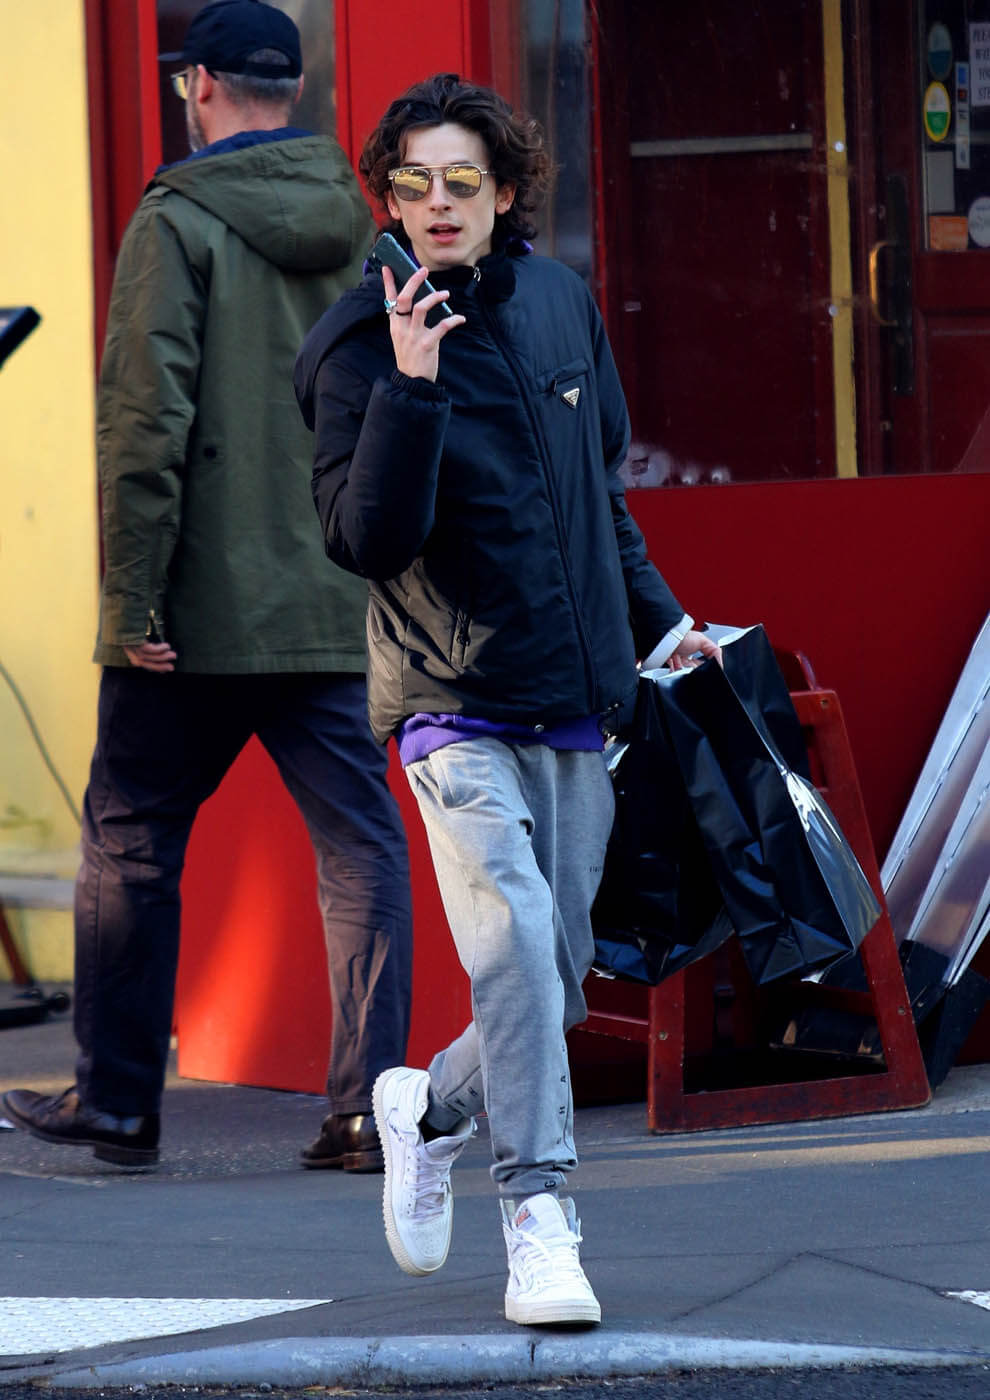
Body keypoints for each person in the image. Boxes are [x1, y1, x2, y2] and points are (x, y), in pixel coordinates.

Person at [294, 72, 721, 1326]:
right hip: (450, 698)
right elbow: (364, 539)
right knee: (519, 946)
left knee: (555, 974)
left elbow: (600, 495)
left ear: (506, 191)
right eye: (413, 182)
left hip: (575, 694)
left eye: (462, 181)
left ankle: (427, 1108)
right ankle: (539, 1215)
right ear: (388, 198)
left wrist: (665, 623)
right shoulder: (353, 343)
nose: (438, 203)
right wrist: (412, 385)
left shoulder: (556, 303)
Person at [2, 0, 412, 1173]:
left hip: (195, 613)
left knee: (130, 837)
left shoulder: (176, 217)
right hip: (332, 593)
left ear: (199, 87)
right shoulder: (361, 221)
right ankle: (364, 1112)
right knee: (361, 846)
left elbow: (146, 424)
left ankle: (119, 1103)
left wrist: (130, 605)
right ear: (293, 90)